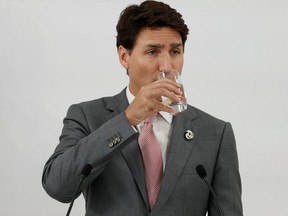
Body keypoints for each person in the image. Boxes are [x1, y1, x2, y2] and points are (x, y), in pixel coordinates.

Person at [42, 1, 243, 215]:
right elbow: (58, 187)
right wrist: (127, 120)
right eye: (152, 52)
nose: (167, 65)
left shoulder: (215, 133)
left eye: (175, 51)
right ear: (124, 57)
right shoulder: (87, 116)